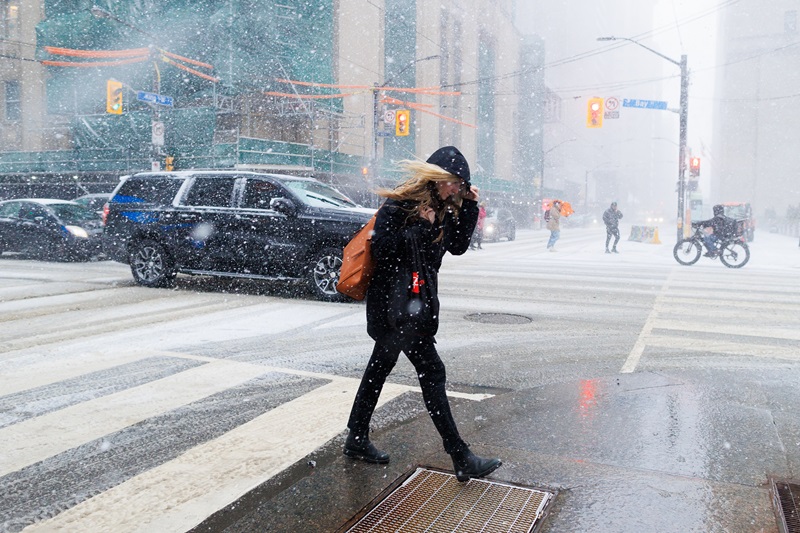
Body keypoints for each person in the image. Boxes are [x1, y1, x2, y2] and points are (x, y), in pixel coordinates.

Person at [344, 146, 502, 483]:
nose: (457, 190)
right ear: (438, 179)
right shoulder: (400, 204)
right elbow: (383, 248)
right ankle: (460, 456)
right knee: (432, 372)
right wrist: (421, 228)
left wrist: (470, 206)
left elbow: (458, 246)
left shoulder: (444, 208)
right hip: (395, 307)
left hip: (414, 303)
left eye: (461, 186)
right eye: (455, 184)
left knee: (379, 368)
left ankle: (356, 436)